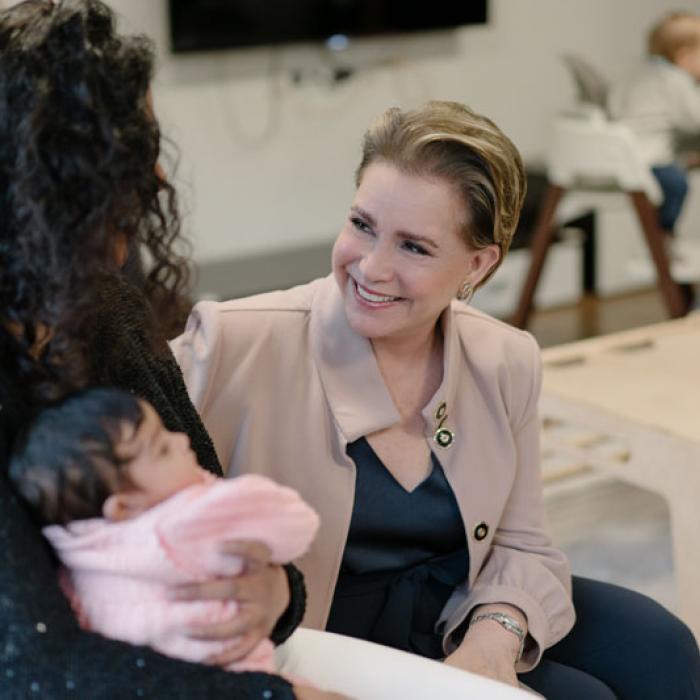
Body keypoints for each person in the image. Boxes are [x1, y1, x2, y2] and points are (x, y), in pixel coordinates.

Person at [0, 3, 531, 698]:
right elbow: (33, 667)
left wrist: (274, 593)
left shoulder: (111, 314)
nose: (159, 178)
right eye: (135, 150)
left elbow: (218, 508)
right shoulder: (229, 337)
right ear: (55, 182)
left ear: (480, 264)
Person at [173, 100, 700, 699]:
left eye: (414, 248)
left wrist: (496, 637)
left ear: (478, 264)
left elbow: (523, 541)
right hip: (318, 629)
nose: (371, 267)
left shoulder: (505, 358)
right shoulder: (228, 342)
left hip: (456, 606)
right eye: (362, 225)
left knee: (662, 646)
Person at [9, 387, 320, 676]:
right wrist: (205, 485)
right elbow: (298, 525)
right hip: (230, 672)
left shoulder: (77, 555)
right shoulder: (193, 520)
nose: (181, 440)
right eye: (162, 450)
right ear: (123, 507)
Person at [609, 11, 700, 235]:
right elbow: (694, 119)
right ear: (685, 55)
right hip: (650, 157)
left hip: (622, 151)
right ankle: (665, 233)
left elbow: (614, 105)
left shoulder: (637, 71)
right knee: (678, 185)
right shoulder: (676, 79)